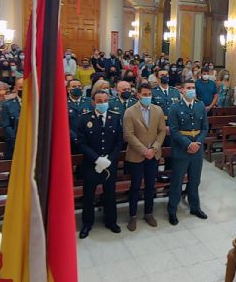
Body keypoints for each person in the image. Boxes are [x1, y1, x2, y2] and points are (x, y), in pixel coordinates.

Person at [76, 90, 123, 238]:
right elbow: (81, 143)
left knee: (110, 193)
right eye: (99, 101)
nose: (103, 103)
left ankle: (111, 221)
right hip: (91, 164)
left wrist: (110, 159)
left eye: (105, 100)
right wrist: (96, 159)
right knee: (89, 195)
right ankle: (87, 223)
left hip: (110, 163)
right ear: (93, 102)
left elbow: (119, 141)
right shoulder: (84, 119)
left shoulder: (115, 117)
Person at [123, 83, 166, 231]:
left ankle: (148, 213)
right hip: (136, 155)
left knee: (150, 186)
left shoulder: (158, 110)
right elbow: (128, 135)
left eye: (149, 95)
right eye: (145, 94)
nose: (147, 97)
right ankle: (132, 216)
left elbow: (161, 131)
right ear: (138, 95)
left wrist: (154, 148)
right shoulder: (130, 112)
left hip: (153, 155)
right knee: (135, 187)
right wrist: (144, 150)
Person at [167, 80, 209, 225]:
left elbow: (205, 128)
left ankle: (195, 207)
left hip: (197, 149)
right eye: (188, 88)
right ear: (182, 90)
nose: (191, 90)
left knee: (195, 180)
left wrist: (197, 143)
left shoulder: (200, 105)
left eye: (193, 88)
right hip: (181, 149)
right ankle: (172, 210)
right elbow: (173, 130)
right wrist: (188, 144)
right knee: (177, 181)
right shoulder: (174, 107)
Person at [152, 69, 181, 146]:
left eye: (166, 75)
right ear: (157, 78)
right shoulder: (153, 92)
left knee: (173, 148)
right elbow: (151, 111)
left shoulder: (175, 91)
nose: (165, 77)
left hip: (174, 125)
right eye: (162, 75)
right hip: (159, 125)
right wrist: (163, 126)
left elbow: (179, 108)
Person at [67, 79, 93, 153]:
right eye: (74, 87)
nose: (77, 88)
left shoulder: (89, 101)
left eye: (79, 86)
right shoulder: (64, 103)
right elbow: (63, 124)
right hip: (71, 141)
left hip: (88, 140)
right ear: (68, 89)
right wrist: (74, 137)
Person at [0, 78, 23, 159]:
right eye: (20, 87)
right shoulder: (7, 105)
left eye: (25, 87)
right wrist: (17, 140)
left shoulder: (35, 104)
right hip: (14, 144)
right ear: (15, 88)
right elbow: (6, 127)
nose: (22, 90)